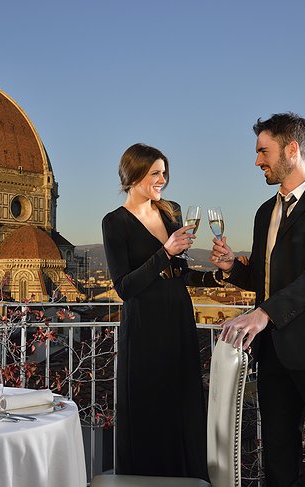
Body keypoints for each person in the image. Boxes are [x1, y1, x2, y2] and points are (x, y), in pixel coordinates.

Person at [211, 112, 305, 486]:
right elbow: (266, 281)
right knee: (278, 461)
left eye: (263, 151)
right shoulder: (265, 212)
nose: (257, 161)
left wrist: (264, 314)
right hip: (276, 354)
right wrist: (233, 266)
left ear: (292, 149)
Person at [102, 143, 223, 479]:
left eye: (164, 172)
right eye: (155, 173)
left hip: (179, 320)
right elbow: (125, 287)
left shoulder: (172, 211)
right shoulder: (115, 222)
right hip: (143, 328)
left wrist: (219, 274)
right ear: (133, 174)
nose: (162, 180)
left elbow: (180, 273)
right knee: (148, 410)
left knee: (182, 406)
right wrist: (165, 252)